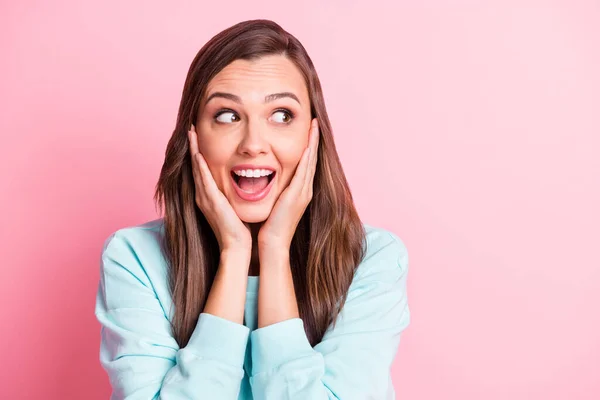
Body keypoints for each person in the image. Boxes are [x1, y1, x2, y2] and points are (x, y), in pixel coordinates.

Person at [94, 19, 410, 400]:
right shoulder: (133, 258)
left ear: (314, 135)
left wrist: (275, 250)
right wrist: (234, 252)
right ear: (192, 134)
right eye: (227, 115)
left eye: (281, 115)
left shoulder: (372, 259)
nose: (253, 144)